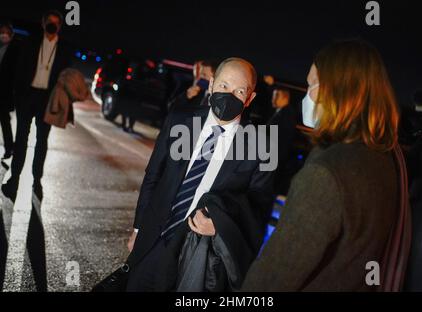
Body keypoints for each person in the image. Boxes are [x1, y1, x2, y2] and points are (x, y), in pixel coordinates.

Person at [241, 39, 406, 291]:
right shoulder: (384, 157)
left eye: (312, 85)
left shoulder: (326, 172)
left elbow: (273, 278)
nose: (307, 95)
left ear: (339, 90)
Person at [125, 57, 274, 291]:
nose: (229, 95)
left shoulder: (262, 145)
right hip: (155, 239)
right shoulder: (179, 120)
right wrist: (138, 228)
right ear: (212, 84)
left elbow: (260, 206)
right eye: (224, 86)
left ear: (250, 98)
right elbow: (154, 175)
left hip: (201, 255)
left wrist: (221, 226)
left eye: (239, 91)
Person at [1, 10, 72, 202]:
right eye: (49, 22)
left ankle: (36, 180)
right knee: (21, 139)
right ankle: (14, 179)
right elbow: (19, 69)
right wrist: (18, 94)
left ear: (60, 26)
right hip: (28, 96)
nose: (52, 25)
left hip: (47, 100)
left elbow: (66, 77)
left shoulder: (64, 48)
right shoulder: (31, 42)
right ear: (43, 23)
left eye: (56, 23)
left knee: (41, 141)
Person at [266, 88, 298, 195]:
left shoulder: (287, 114)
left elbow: (283, 141)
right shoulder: (279, 112)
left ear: (285, 97)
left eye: (277, 96)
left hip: (275, 159)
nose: (273, 99)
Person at [0, 22, 20, 159]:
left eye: (6, 32)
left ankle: (9, 148)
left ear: (11, 35)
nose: (3, 35)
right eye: (2, 32)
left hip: (4, 93)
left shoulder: (14, 50)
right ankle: (9, 147)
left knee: (4, 121)